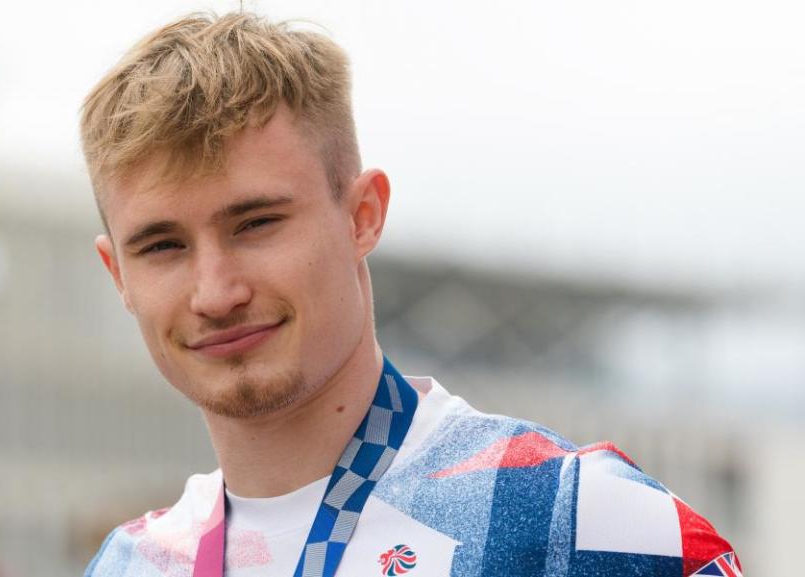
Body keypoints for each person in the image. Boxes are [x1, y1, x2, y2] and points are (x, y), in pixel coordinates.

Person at [78, 12, 742, 577]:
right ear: (119, 276)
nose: (216, 292)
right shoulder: (133, 563)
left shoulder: (575, 518)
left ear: (363, 214)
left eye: (256, 224)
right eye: (162, 246)